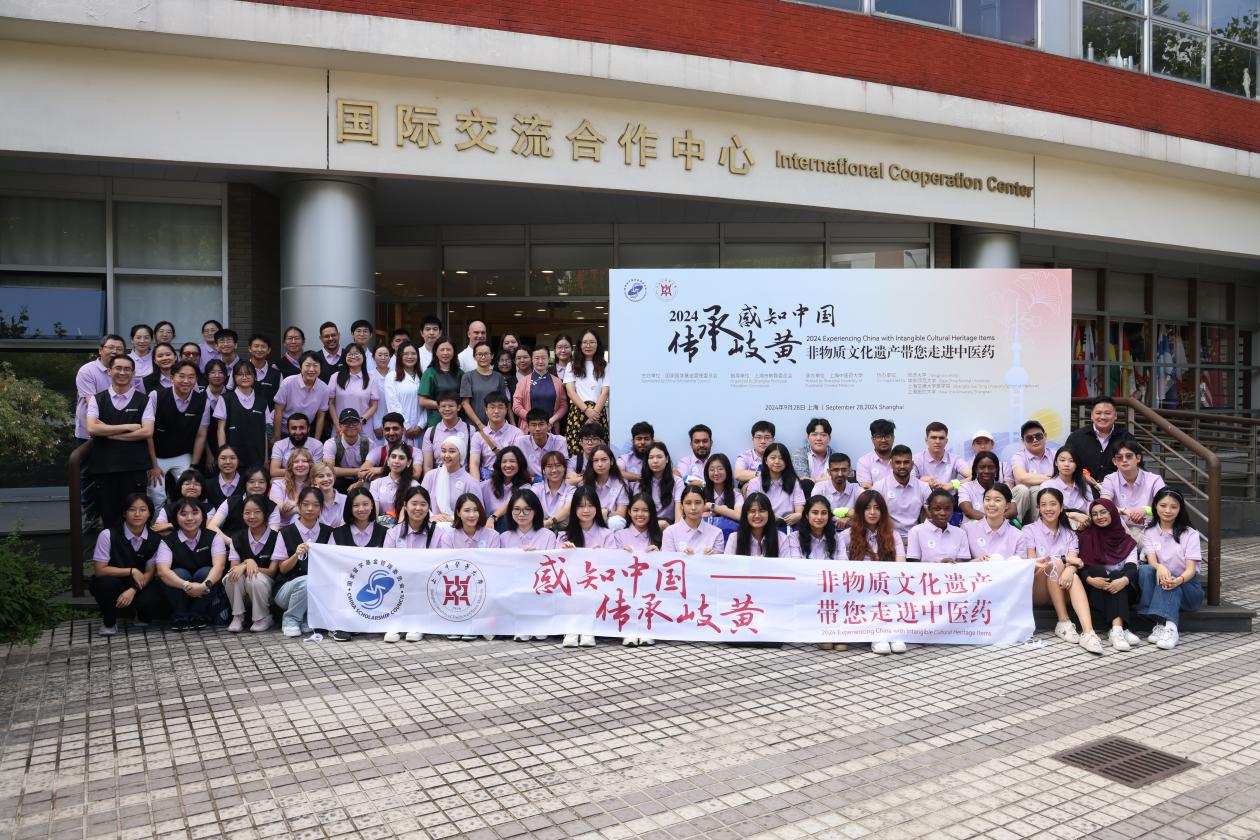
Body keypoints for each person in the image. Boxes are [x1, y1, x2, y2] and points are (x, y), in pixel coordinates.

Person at [1023, 487, 1104, 655]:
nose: (1048, 509)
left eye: (1053, 504)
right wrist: (1064, 562)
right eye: (1043, 505)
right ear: (1038, 508)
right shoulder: (1029, 530)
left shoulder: (1070, 534)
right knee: (1056, 564)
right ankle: (1063, 621)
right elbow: (1032, 563)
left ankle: (1088, 632)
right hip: (1038, 589)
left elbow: (1074, 561)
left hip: (1062, 586)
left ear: (1061, 507)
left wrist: (1070, 569)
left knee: (1072, 576)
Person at [86, 354, 155, 528]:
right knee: (109, 518)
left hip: (134, 468)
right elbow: (92, 428)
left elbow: (147, 431)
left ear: (133, 373)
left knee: (136, 516)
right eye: (118, 368)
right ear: (109, 371)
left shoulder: (144, 400)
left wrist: (108, 433)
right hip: (105, 468)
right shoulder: (97, 399)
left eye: (127, 369)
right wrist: (129, 427)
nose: (122, 372)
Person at [89, 492, 165, 635]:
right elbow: (100, 570)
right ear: (124, 513)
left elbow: (149, 573)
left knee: (153, 598)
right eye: (132, 509)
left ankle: (141, 615)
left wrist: (133, 590)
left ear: (149, 513)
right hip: (113, 581)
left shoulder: (156, 540)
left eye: (143, 510)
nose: (137, 514)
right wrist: (131, 571)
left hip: (140, 584)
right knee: (105, 585)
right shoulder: (108, 535)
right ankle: (109, 622)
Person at [1138, 488, 1203, 651]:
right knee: (1145, 570)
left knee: (1171, 575)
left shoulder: (1190, 534)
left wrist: (1178, 580)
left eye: (1174, 507)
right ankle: (1159, 624)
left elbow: (1191, 569)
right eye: (1163, 505)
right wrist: (1159, 566)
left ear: (1180, 509)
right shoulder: (1149, 531)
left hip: (1188, 589)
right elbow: (1151, 560)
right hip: (1164, 583)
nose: (1167, 510)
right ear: (1155, 506)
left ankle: (1170, 628)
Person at [843, 490, 907, 655]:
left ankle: (894, 633)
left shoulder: (893, 535)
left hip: (887, 586)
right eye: (867, 508)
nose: (872, 512)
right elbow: (842, 569)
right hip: (859, 588)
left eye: (877, 508)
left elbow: (900, 564)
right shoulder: (846, 536)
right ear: (860, 511)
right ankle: (878, 634)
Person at [154, 498, 227, 631]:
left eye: (195, 513)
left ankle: (198, 614)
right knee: (178, 573)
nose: (189, 518)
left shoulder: (214, 536)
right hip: (179, 585)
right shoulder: (167, 541)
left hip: (205, 585)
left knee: (206, 572)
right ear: (175, 518)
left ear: (203, 515)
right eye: (183, 514)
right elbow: (162, 571)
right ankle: (180, 616)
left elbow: (219, 566)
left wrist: (204, 585)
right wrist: (186, 585)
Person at [1078, 498, 1142, 651]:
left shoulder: (1127, 541)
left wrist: (1124, 581)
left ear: (1112, 513)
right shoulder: (1085, 537)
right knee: (1097, 570)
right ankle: (1121, 629)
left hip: (1124, 589)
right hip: (1095, 589)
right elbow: (1080, 567)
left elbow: (1132, 567)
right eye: (1094, 514)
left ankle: (1117, 630)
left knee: (1116, 575)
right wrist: (1090, 580)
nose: (1099, 517)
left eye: (1103, 512)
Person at [146, 360, 210, 510]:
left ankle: (186, 520)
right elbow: (147, 433)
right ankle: (158, 523)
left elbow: (201, 434)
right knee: (157, 496)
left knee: (191, 490)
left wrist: (193, 465)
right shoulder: (156, 396)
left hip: (183, 454)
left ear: (196, 379)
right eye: (181, 376)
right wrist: (153, 464)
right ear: (172, 377)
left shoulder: (202, 401)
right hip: (157, 456)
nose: (186, 381)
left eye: (191, 377)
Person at [272, 487, 333, 637]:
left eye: (316, 505)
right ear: (299, 506)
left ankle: (308, 618)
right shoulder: (285, 532)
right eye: (305, 504)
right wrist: (296, 555)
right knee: (308, 581)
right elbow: (283, 569)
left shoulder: (329, 532)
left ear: (321, 508)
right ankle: (290, 620)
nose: (310, 508)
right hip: (287, 590)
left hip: (318, 591)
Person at [382, 486, 439, 644]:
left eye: (423, 504)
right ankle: (396, 623)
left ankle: (417, 623)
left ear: (428, 507)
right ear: (405, 506)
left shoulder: (439, 533)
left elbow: (441, 563)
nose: (418, 508)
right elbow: (387, 563)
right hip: (399, 584)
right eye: (414, 503)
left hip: (426, 585)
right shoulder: (393, 533)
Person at [560, 486, 612, 648]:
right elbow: (556, 567)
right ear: (574, 509)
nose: (586, 510)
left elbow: (613, 566)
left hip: (598, 585)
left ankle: (588, 628)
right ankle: (572, 628)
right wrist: (566, 554)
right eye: (581, 506)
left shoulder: (607, 534)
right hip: (573, 586)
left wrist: (603, 555)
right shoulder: (564, 536)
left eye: (590, 505)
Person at [224, 494, 279, 633]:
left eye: (257, 512)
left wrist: (249, 567)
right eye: (247, 512)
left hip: (268, 588)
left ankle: (263, 617)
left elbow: (272, 571)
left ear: (265, 513)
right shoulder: (237, 537)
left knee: (253, 578)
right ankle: (238, 616)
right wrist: (246, 563)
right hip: (246, 590)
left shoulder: (276, 537)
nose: (252, 516)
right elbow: (234, 568)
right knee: (232, 576)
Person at [1100, 437, 1165, 540]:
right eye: (1119, 457)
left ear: (1138, 458)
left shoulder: (1154, 480)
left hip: (1149, 530)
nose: (1124, 460)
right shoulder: (1110, 479)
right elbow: (1104, 505)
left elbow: (1165, 506)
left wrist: (1145, 510)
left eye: (1129, 456)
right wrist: (1125, 511)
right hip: (1120, 530)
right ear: (1114, 461)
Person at [215, 361, 269, 477]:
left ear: (255, 376)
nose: (244, 377)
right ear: (234, 377)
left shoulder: (262, 401)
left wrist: (265, 458)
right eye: (240, 374)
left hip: (257, 457)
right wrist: (223, 455)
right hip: (233, 458)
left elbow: (264, 432)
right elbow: (220, 429)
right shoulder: (225, 399)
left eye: (248, 374)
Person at [562, 330, 610, 455]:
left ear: (598, 344)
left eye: (592, 342)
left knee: (599, 450)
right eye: (585, 342)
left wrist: (593, 414)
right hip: (578, 412)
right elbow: (570, 392)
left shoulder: (605, 365)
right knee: (576, 449)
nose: (588, 346)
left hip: (598, 412)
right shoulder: (571, 365)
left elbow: (605, 392)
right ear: (580, 345)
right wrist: (586, 410)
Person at [75, 334, 125, 444]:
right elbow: (92, 404)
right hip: (90, 435)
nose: (115, 351)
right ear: (100, 350)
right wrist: (113, 430)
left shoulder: (126, 372)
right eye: (111, 347)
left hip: (119, 432)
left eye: (119, 349)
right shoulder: (87, 371)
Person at [1063, 396, 1128, 480]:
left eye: (1107, 413)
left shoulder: (1126, 437)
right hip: (1083, 487)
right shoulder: (1076, 438)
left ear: (1115, 415)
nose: (1103, 417)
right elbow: (1066, 463)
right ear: (1091, 415)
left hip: (1118, 487)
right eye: (1098, 413)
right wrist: (1082, 477)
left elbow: (1137, 466)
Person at [873, 445, 929, 540]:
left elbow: (931, 515)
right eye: (898, 462)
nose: (902, 466)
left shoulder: (923, 487)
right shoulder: (879, 486)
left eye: (906, 462)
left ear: (912, 464)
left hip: (916, 538)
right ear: (891, 464)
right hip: (888, 539)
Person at [273, 351, 330, 442]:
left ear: (320, 368)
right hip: (284, 430)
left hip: (305, 432)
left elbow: (321, 417)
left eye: (315, 366)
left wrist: (316, 441)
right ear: (300, 367)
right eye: (307, 365)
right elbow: (278, 411)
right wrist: (277, 438)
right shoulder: (288, 382)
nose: (311, 369)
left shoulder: (324, 388)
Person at [421, 437, 479, 526]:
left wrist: (453, 520)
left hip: (458, 529)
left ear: (461, 454)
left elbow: (477, 513)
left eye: (452, 451)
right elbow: (419, 502)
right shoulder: (431, 476)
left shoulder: (470, 482)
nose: (446, 455)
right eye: (443, 451)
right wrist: (431, 517)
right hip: (431, 526)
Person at [745, 443, 805, 526]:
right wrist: (770, 516)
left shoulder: (794, 482)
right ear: (766, 460)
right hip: (763, 524)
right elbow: (753, 508)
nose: (777, 461)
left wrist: (798, 515)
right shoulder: (755, 483)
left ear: (787, 461)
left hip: (788, 525)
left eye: (781, 458)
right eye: (773, 458)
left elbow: (799, 507)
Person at [1009, 420, 1057, 522]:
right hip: (1022, 503)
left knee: (1037, 489)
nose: (1035, 440)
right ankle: (1014, 526)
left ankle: (1039, 526)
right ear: (1023, 441)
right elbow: (1021, 477)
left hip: (1048, 502)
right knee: (1022, 489)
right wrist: (1052, 478)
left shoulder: (1056, 455)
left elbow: (1064, 477)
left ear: (1045, 436)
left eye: (1038, 436)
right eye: (1029, 438)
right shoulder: (1018, 457)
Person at [328, 343, 380, 437]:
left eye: (357, 353)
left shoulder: (371, 379)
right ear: (345, 358)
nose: (353, 356)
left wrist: (360, 421)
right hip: (341, 428)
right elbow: (331, 403)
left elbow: (374, 405)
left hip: (364, 427)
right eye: (350, 354)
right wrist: (337, 424)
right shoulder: (335, 377)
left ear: (363, 357)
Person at [962, 483, 1025, 560]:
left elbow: (1022, 565)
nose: (991, 504)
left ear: (1007, 505)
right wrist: (975, 562)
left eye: (997, 500)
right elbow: (960, 564)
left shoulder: (1018, 536)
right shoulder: (968, 529)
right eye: (987, 499)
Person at [514, 346, 568, 433]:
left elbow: (563, 405)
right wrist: (532, 420)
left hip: (551, 427)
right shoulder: (523, 382)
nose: (540, 361)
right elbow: (516, 406)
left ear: (548, 359)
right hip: (529, 428)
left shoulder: (557, 382)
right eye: (536, 358)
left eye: (543, 358)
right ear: (532, 360)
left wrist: (551, 421)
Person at [905, 490, 970, 563]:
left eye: (947, 509)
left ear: (953, 510)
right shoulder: (916, 532)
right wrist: (939, 565)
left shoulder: (960, 533)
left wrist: (952, 564)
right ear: (929, 510)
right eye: (937, 509)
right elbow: (913, 563)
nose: (943, 513)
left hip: (953, 570)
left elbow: (963, 562)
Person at [472, 393, 526, 479]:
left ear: (506, 410)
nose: (496, 411)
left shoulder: (517, 434)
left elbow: (519, 462)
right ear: (486, 410)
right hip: (487, 479)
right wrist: (476, 485)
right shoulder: (478, 436)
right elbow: (474, 464)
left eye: (500, 407)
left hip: (511, 479)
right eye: (492, 407)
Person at [1041, 447, 1096, 530]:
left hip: (1084, 524)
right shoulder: (1047, 486)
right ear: (1056, 463)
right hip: (1058, 525)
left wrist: (1087, 520)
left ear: (1077, 464)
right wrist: (1073, 515)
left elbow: (1090, 507)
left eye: (1071, 461)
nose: (1066, 464)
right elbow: (1046, 512)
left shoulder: (1084, 485)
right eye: (1062, 460)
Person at [662, 485, 724, 556]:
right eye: (688, 503)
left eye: (698, 503)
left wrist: (710, 557)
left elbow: (718, 562)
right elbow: (668, 560)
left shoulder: (716, 533)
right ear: (681, 506)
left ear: (704, 504)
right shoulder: (670, 532)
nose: (693, 508)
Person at [208, 467, 271, 535]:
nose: (256, 485)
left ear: (267, 484)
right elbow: (211, 526)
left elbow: (272, 534)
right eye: (251, 482)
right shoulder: (231, 501)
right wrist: (230, 541)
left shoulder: (272, 506)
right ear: (245, 483)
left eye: (261, 482)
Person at [482, 445, 532, 531]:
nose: (508, 465)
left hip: (510, 529)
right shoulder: (487, 485)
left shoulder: (526, 487)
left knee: (506, 516)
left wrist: (493, 517)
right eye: (504, 461)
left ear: (520, 464)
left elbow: (512, 502)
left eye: (512, 461)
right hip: (487, 528)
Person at [359, 413, 419, 483]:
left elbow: (416, 475)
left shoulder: (415, 451)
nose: (391, 433)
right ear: (383, 431)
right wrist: (401, 474)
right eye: (387, 429)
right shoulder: (378, 451)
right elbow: (361, 473)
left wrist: (381, 470)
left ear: (403, 430)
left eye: (395, 428)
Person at [460, 341, 507, 430]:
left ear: (492, 356)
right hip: (473, 426)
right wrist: (479, 424)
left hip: (495, 426)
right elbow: (465, 403)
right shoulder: (468, 376)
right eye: (479, 354)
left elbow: (503, 403)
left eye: (486, 354)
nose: (483, 357)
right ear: (474, 357)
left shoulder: (499, 377)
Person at [383, 341, 424, 442]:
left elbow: (426, 403)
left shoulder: (423, 376)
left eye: (413, 353)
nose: (410, 357)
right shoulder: (392, 376)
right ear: (399, 356)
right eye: (405, 354)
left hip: (420, 431)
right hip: (399, 429)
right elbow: (393, 404)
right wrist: (406, 426)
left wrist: (421, 426)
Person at [958, 451, 1017, 521]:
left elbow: (1013, 511)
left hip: (999, 526)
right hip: (973, 527)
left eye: (991, 467)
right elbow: (969, 512)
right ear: (976, 469)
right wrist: (993, 519)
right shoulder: (965, 487)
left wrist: (995, 520)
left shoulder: (1003, 487)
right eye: (982, 467)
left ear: (996, 469)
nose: (986, 471)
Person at [151, 469, 214, 535]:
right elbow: (158, 529)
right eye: (187, 484)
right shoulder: (167, 509)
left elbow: (208, 530)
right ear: (180, 487)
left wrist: (171, 525)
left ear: (202, 488)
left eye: (197, 484)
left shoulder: (209, 509)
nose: (192, 487)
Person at [582, 444, 630, 530]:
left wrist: (607, 512)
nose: (600, 464)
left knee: (616, 522)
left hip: (611, 520)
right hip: (589, 520)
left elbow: (621, 514)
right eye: (596, 460)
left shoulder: (621, 483)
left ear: (611, 461)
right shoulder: (584, 483)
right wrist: (599, 514)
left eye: (604, 460)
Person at [324, 408, 371, 492]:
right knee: (329, 480)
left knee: (370, 483)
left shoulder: (369, 444)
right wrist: (357, 471)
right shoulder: (331, 443)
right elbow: (328, 469)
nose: (351, 426)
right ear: (340, 426)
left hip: (361, 479)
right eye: (346, 423)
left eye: (354, 422)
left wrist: (360, 481)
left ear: (360, 424)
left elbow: (372, 469)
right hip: (339, 479)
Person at [419, 336, 462, 429]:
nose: (445, 353)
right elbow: (422, 401)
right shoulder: (429, 373)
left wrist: (451, 408)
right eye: (442, 350)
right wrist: (445, 406)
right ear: (436, 352)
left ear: (454, 352)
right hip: (436, 420)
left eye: (448, 349)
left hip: (457, 420)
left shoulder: (460, 373)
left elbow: (464, 399)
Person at [369, 442, 416, 526]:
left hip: (403, 528)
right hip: (379, 528)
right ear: (388, 460)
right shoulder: (376, 483)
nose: (396, 461)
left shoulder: (414, 486)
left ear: (408, 462)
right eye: (393, 457)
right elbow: (373, 513)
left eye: (401, 458)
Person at [724, 492, 783, 558]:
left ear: (769, 513)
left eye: (762, 510)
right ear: (745, 514)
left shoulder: (781, 538)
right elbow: (727, 563)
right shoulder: (734, 538)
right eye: (752, 511)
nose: (757, 515)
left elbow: (787, 563)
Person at [913, 422, 969, 490]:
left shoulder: (955, 459)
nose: (938, 441)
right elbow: (908, 484)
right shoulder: (916, 460)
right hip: (924, 497)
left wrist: (953, 485)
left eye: (941, 438)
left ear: (946, 441)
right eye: (933, 438)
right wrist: (921, 482)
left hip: (949, 496)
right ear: (926, 440)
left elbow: (974, 477)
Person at [785, 495, 844, 560]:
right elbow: (795, 563)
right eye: (815, 513)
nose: (819, 517)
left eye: (824, 513)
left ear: (828, 515)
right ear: (807, 515)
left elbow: (843, 563)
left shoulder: (837, 538)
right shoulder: (794, 538)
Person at [269, 449, 315, 529]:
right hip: (280, 527)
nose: (300, 465)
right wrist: (298, 509)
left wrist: (294, 504)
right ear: (291, 466)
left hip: (307, 527)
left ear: (310, 465)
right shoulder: (279, 484)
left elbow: (315, 509)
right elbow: (277, 506)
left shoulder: (315, 484)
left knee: (297, 517)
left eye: (304, 461)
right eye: (296, 462)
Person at [701, 454, 743, 542]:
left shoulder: (736, 495)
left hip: (729, 538)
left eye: (720, 469)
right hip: (704, 537)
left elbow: (739, 516)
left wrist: (711, 506)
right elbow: (695, 514)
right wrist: (723, 511)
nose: (716, 473)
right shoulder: (701, 493)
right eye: (712, 470)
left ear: (727, 471)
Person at [269, 413, 324, 479]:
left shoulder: (317, 445)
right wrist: (302, 472)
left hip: (308, 481)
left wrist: (288, 474)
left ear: (308, 428)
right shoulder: (279, 445)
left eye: (302, 428)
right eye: (294, 428)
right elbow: (274, 471)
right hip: (286, 482)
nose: (298, 432)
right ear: (288, 430)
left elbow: (316, 471)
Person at [437, 493, 502, 549]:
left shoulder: (493, 536)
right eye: (467, 510)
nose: (472, 515)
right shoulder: (448, 538)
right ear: (458, 513)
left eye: (476, 510)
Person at [519, 408, 569, 475]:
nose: (537, 429)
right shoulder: (520, 442)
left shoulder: (560, 441)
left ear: (548, 426)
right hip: (529, 480)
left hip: (554, 479)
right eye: (533, 425)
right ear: (528, 427)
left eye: (541, 424)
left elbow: (563, 467)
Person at [817, 453, 859, 529]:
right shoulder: (820, 488)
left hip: (851, 532)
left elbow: (869, 509)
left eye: (844, 470)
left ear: (849, 471)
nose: (840, 474)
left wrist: (849, 518)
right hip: (825, 531)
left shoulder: (856, 488)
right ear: (829, 472)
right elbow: (815, 511)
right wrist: (846, 512)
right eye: (835, 470)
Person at [638, 442, 677, 526]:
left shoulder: (677, 481)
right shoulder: (640, 482)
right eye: (651, 457)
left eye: (659, 457)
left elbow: (679, 510)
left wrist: (675, 531)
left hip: (669, 525)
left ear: (667, 459)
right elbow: (637, 511)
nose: (655, 461)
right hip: (645, 524)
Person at [536, 450, 574, 530]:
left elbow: (566, 510)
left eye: (558, 465)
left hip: (564, 531)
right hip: (540, 530)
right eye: (549, 466)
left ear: (564, 468)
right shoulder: (536, 488)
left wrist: (547, 523)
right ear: (543, 470)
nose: (554, 470)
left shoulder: (571, 490)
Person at [856, 418, 899, 488]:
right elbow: (866, 489)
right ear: (873, 439)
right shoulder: (864, 461)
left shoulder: (902, 461)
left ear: (893, 438)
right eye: (879, 437)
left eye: (887, 436)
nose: (883, 440)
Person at [246, 333, 283, 413]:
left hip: (268, 419)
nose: (259, 349)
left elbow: (281, 400)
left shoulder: (277, 374)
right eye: (256, 346)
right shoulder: (238, 370)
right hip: (243, 417)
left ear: (269, 350)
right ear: (250, 348)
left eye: (263, 347)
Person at [734, 420, 775, 484]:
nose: (763, 441)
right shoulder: (745, 456)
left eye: (767, 437)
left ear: (773, 440)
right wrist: (764, 475)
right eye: (759, 437)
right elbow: (738, 474)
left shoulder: (779, 457)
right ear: (753, 440)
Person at [204, 446, 243, 511]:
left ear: (238, 461)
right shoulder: (208, 484)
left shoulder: (246, 482)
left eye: (232, 458)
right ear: (217, 461)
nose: (228, 462)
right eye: (223, 458)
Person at [618, 421, 655, 487]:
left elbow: (672, 471)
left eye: (646, 439)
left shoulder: (658, 458)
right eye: (639, 439)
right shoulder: (624, 459)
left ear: (652, 441)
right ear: (633, 441)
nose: (643, 442)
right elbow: (618, 473)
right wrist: (642, 478)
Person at [309, 462, 346, 527]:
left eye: (329, 475)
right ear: (314, 481)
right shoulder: (310, 501)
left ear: (334, 477)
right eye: (321, 476)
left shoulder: (345, 499)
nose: (326, 479)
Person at [801, 418, 834, 483]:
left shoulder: (836, 456)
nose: (818, 438)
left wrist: (814, 480)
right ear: (808, 438)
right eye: (814, 434)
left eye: (823, 435)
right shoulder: (799, 454)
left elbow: (845, 478)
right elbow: (804, 482)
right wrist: (830, 478)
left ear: (829, 438)